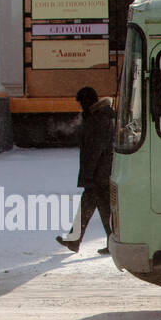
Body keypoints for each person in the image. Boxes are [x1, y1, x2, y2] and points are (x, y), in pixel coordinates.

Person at [57, 86, 116, 254]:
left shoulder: (98, 119)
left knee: (97, 210)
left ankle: (76, 240)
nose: (80, 106)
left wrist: (88, 175)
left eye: (81, 103)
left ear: (87, 101)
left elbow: (93, 150)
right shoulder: (101, 117)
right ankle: (75, 240)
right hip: (102, 173)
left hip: (98, 175)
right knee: (99, 210)